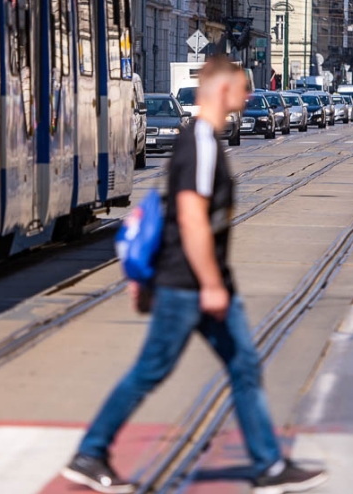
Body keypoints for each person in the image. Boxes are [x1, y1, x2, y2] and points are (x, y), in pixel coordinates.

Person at [62, 57, 328, 494]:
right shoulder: (201, 143)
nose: (247, 96)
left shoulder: (201, 141)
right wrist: (209, 284)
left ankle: (269, 466)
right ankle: (91, 452)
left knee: (243, 366)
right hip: (188, 286)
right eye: (242, 89)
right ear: (222, 92)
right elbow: (189, 218)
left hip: (195, 282)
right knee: (152, 371)